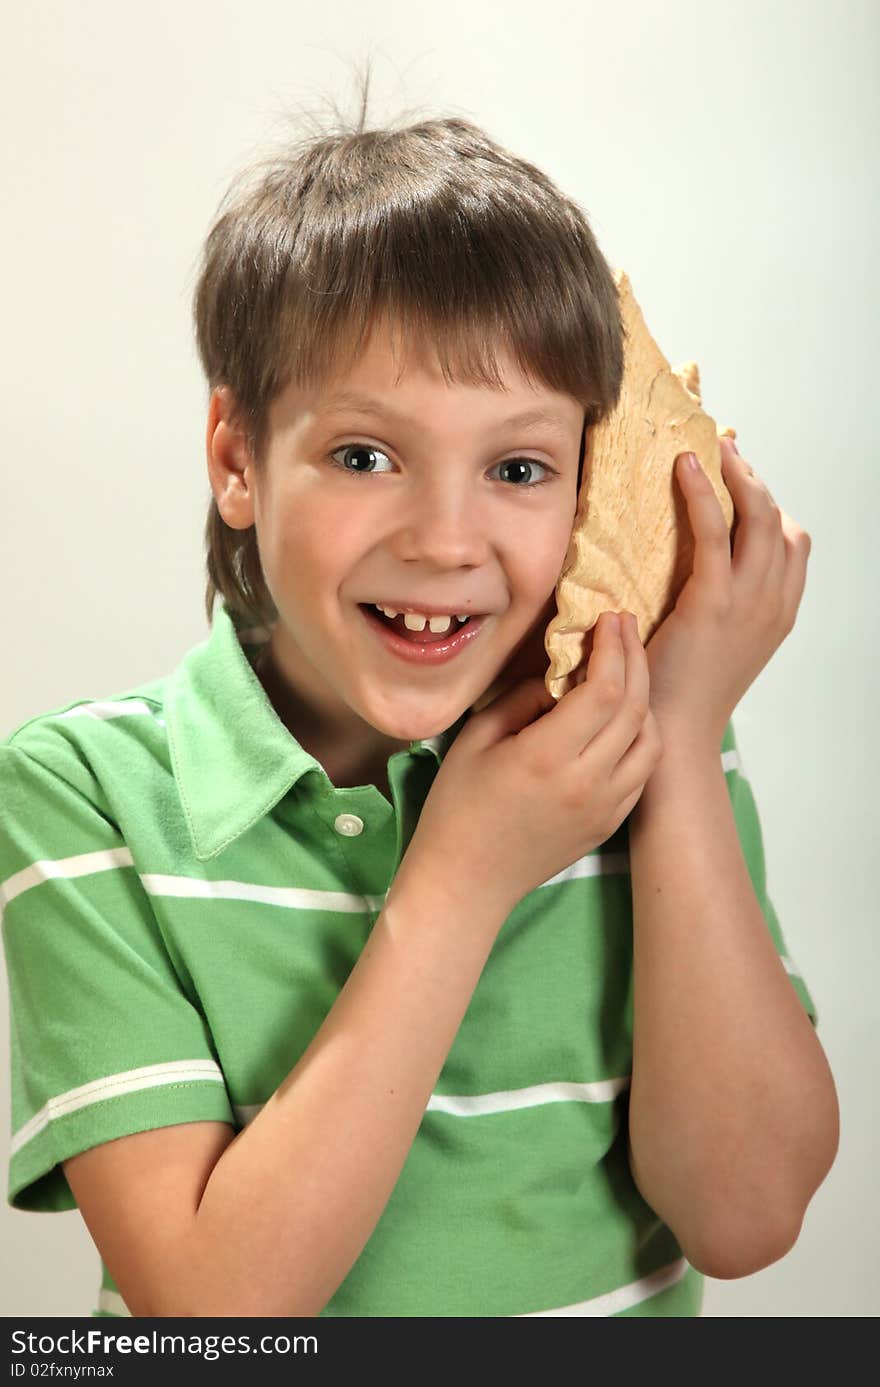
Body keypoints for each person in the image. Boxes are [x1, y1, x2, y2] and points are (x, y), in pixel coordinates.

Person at [0, 87, 838, 1319]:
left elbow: (747, 1212)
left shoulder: (642, 753)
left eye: (516, 468)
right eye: (364, 455)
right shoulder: (85, 793)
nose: (447, 540)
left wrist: (678, 739)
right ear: (237, 458)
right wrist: (459, 874)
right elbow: (212, 1316)